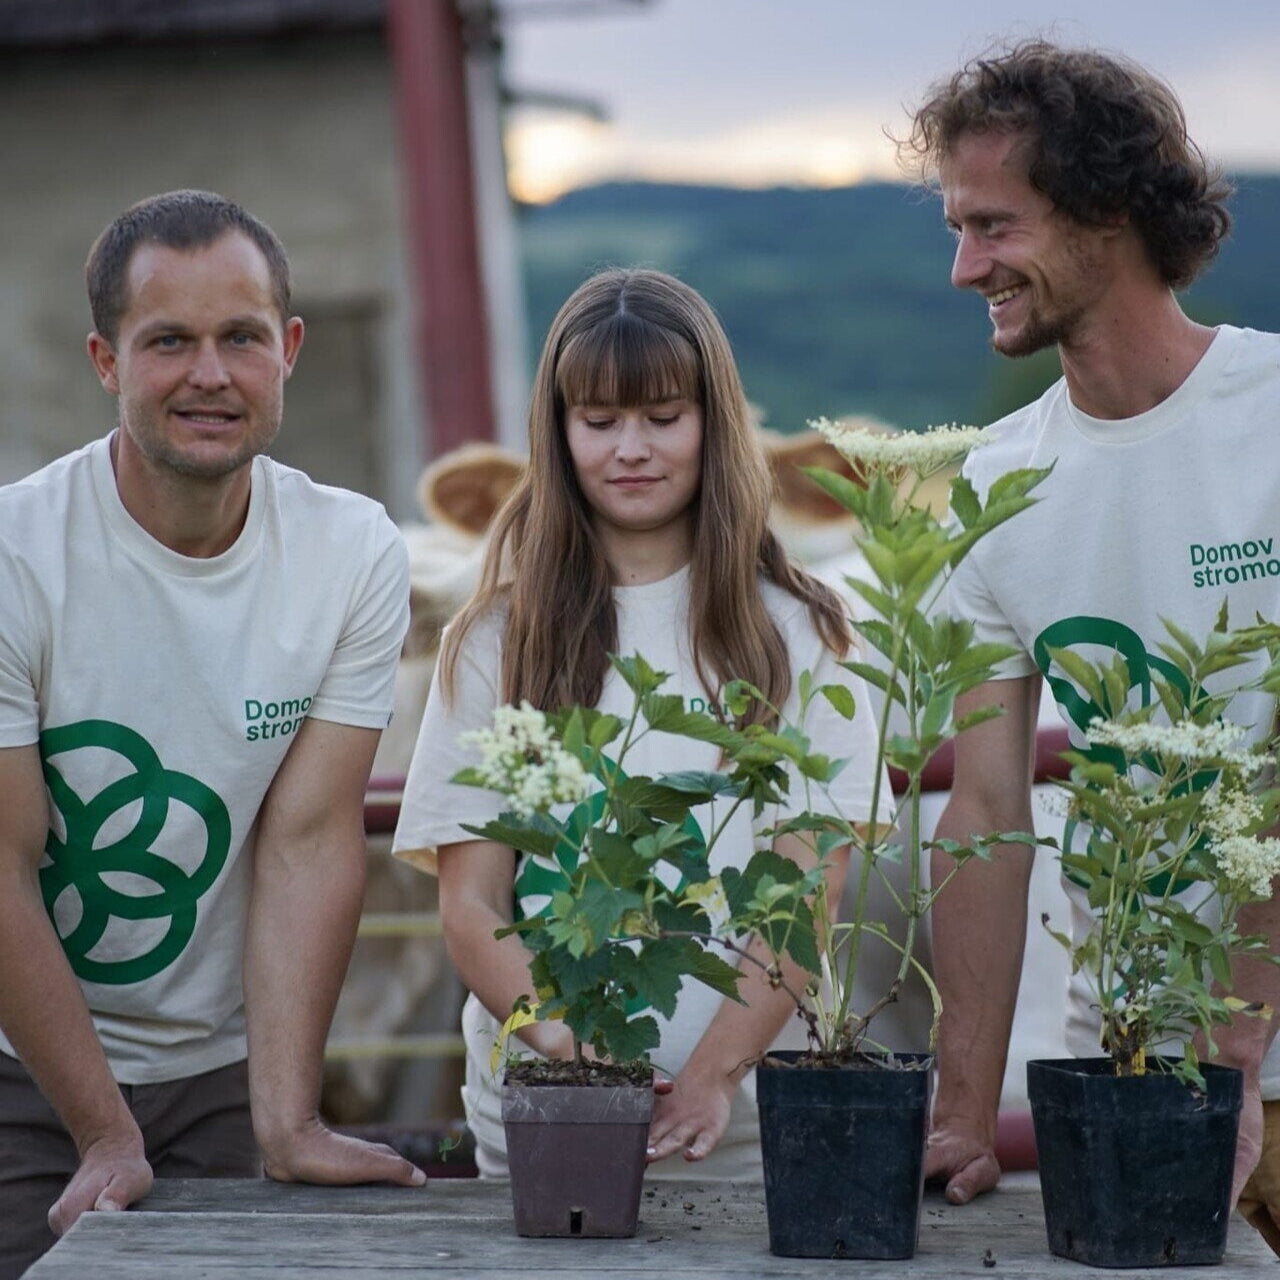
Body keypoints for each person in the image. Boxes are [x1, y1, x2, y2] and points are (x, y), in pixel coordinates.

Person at [0, 190, 423, 1278]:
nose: (210, 374)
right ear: (105, 360)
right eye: (168, 342)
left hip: (232, 1067)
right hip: (19, 1069)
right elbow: (1, 861)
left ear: (287, 348)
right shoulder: (14, 555)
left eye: (240, 337)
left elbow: (309, 838)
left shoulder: (352, 553)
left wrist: (286, 1119)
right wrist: (102, 1128)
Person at [901, 41, 1280, 1245]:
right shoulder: (998, 485)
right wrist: (963, 1108)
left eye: (993, 225)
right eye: (956, 228)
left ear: (1108, 211)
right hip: (1120, 1072)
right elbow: (984, 811)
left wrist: (1234, 1044)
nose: (963, 268)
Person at [392, 268, 887, 1178]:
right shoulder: (494, 640)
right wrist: (571, 1052)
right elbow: (470, 904)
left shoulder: (800, 632)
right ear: (558, 431)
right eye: (599, 420)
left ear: (714, 424)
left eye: (664, 418)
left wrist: (713, 1076)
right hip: (540, 1115)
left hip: (737, 1131)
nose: (632, 449)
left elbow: (806, 895)